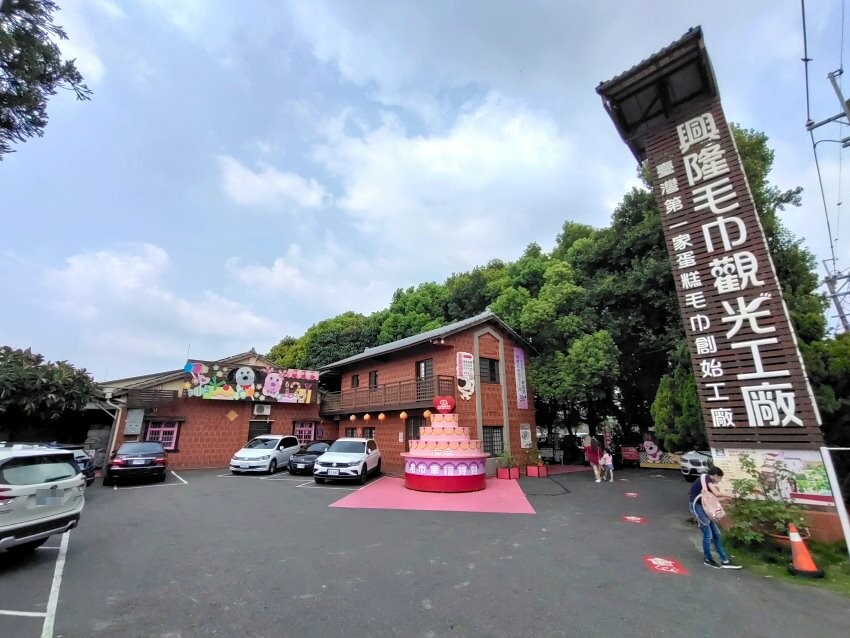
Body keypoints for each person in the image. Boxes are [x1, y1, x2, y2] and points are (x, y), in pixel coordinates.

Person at [689, 467, 741, 569]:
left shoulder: (706, 482)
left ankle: (725, 560)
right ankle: (708, 559)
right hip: (697, 507)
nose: (719, 481)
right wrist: (730, 495)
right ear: (717, 476)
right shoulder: (706, 478)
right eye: (720, 478)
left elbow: (714, 498)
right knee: (708, 534)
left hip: (705, 507)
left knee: (717, 533)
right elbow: (716, 493)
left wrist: (726, 498)